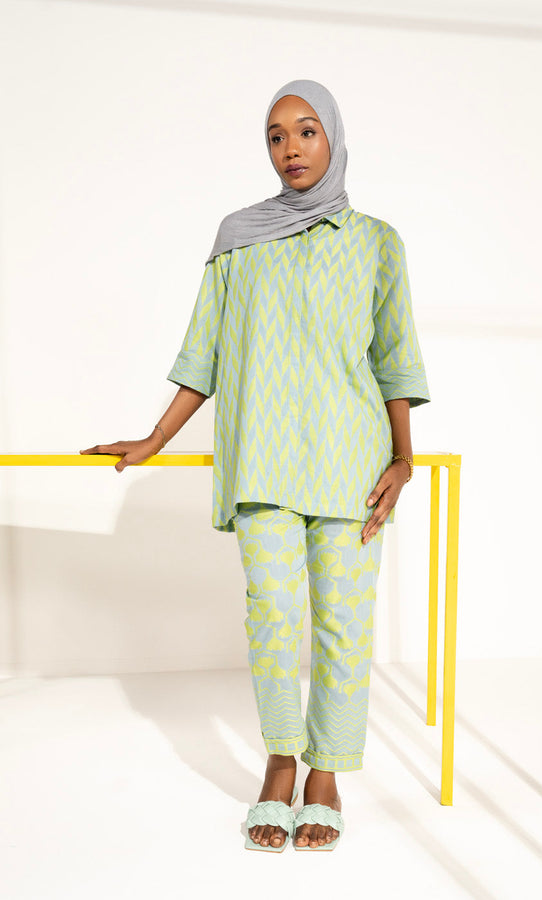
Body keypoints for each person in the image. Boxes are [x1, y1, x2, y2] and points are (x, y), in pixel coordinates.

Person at [80, 78, 430, 852]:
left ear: (333, 137)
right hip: (263, 459)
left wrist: (404, 458)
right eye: (276, 136)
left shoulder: (378, 242)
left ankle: (326, 772)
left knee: (344, 624)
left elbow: (395, 357)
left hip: (351, 462)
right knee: (273, 615)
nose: (290, 148)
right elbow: (203, 352)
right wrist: (154, 438)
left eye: (306, 131)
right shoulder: (240, 239)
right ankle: (280, 762)